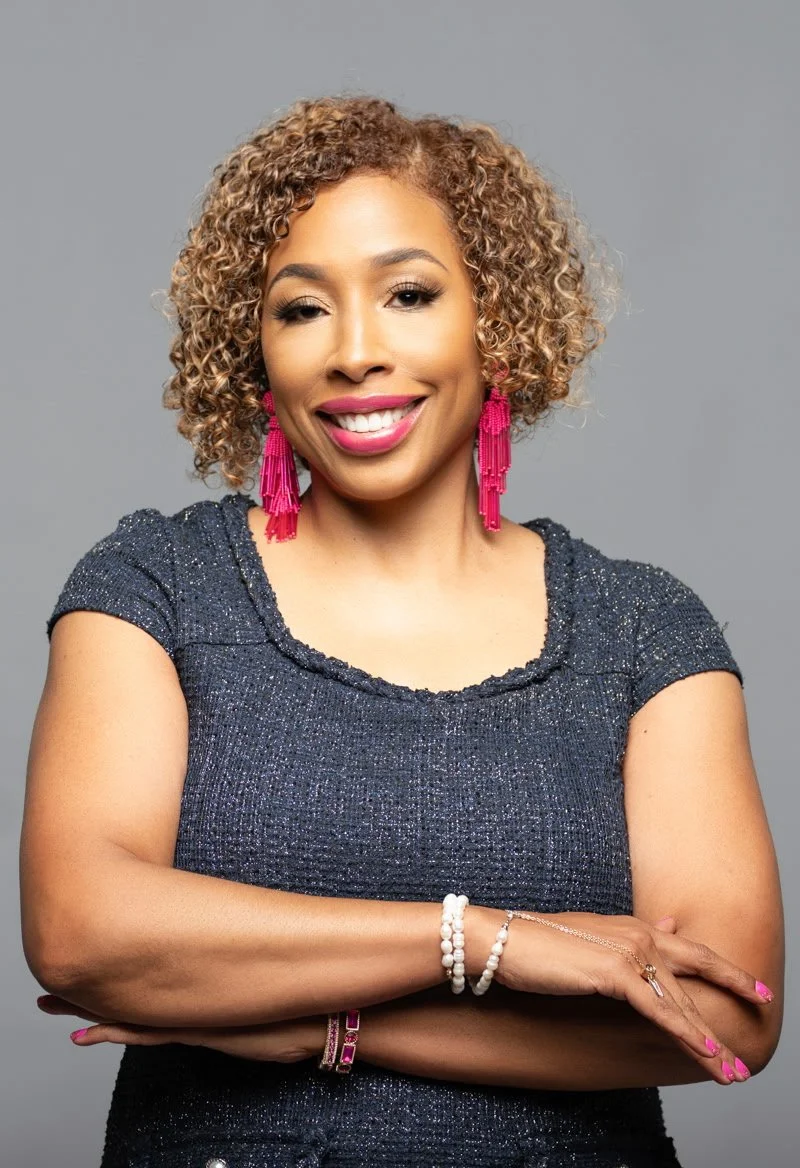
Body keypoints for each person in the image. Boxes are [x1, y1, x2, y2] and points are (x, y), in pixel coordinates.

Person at [21, 95, 783, 1168]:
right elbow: (82, 932)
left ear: (498, 319)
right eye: (301, 311)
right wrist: (485, 942)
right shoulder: (160, 585)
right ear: (253, 352)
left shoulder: (638, 629)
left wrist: (328, 1031)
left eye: (409, 294)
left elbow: (727, 1018)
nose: (355, 353)